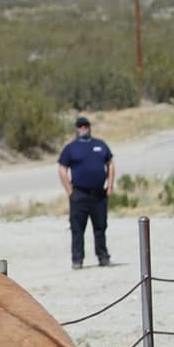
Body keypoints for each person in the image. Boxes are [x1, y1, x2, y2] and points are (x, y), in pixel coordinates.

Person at [58, 115, 115, 269]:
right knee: (77, 229)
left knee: (100, 227)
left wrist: (110, 185)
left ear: (89, 127)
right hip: (79, 194)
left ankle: (103, 257)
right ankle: (77, 259)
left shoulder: (100, 145)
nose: (83, 128)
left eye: (85, 126)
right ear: (76, 129)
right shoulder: (71, 148)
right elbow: (62, 168)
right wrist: (69, 190)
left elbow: (110, 164)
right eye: (80, 126)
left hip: (99, 194)